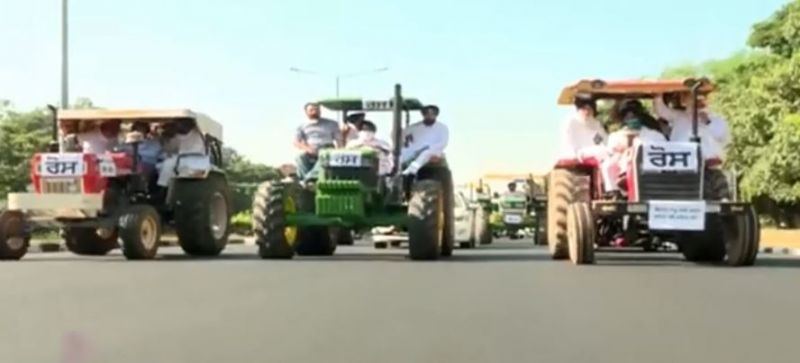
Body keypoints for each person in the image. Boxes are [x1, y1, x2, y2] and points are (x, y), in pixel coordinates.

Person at [603, 100, 668, 193]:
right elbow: (610, 152)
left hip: (649, 168)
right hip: (622, 170)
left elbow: (665, 152)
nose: (631, 119)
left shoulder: (655, 135)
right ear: (623, 119)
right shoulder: (615, 136)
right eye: (628, 117)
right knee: (607, 165)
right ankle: (615, 192)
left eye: (634, 116)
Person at [653, 93, 730, 159]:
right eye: (695, 102)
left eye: (701, 102)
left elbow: (721, 135)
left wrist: (707, 122)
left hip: (707, 161)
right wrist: (658, 95)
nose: (698, 104)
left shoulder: (716, 119)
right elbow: (662, 111)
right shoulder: (679, 115)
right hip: (681, 158)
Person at [295, 102, 341, 180]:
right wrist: (307, 149)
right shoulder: (301, 126)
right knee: (299, 157)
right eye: (311, 110)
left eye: (317, 110)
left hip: (327, 148)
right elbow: (296, 142)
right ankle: (306, 181)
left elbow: (339, 139)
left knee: (324, 156)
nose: (314, 112)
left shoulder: (332, 123)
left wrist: (340, 150)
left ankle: (309, 179)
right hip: (311, 149)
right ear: (306, 112)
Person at [558, 95, 608, 165]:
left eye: (589, 109)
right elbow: (568, 144)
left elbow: (601, 141)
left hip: (594, 155)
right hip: (576, 155)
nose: (587, 112)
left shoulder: (595, 124)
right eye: (584, 109)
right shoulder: (571, 123)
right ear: (578, 110)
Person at [157, 118, 207, 188]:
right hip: (181, 159)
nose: (180, 125)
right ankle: (164, 188)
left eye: (181, 123)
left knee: (168, 164)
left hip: (198, 159)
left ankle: (163, 186)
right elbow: (170, 149)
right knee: (166, 164)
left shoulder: (198, 133)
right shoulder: (176, 136)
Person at [400, 105, 448, 175]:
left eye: (432, 114)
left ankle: (410, 172)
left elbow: (443, 142)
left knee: (424, 154)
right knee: (402, 152)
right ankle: (395, 172)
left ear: (435, 115)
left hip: (433, 150)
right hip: (415, 149)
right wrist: (404, 141)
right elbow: (401, 134)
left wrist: (429, 147)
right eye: (427, 114)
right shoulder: (415, 126)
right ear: (423, 115)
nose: (429, 116)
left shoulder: (442, 128)